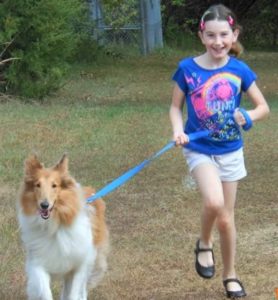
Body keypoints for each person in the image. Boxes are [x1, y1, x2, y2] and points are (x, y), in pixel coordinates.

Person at [169, 4, 269, 299]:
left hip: (230, 151)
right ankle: (203, 242)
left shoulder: (239, 69)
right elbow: (175, 107)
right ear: (202, 36)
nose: (218, 42)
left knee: (227, 218)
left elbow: (263, 107)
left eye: (224, 35)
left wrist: (248, 116)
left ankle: (231, 275)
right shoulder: (187, 68)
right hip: (199, 148)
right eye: (210, 35)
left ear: (233, 34)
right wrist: (178, 130)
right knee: (214, 203)